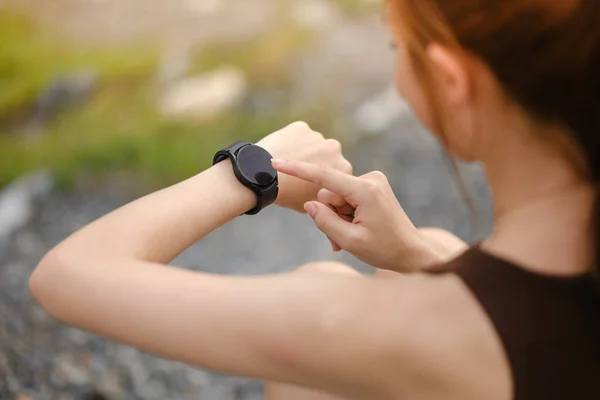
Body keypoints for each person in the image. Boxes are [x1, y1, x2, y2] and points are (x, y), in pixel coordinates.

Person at [29, 0, 600, 399]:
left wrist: (250, 169)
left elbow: (65, 274)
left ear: (452, 81)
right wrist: (412, 255)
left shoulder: (412, 336)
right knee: (436, 252)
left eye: (397, 45)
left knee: (323, 287)